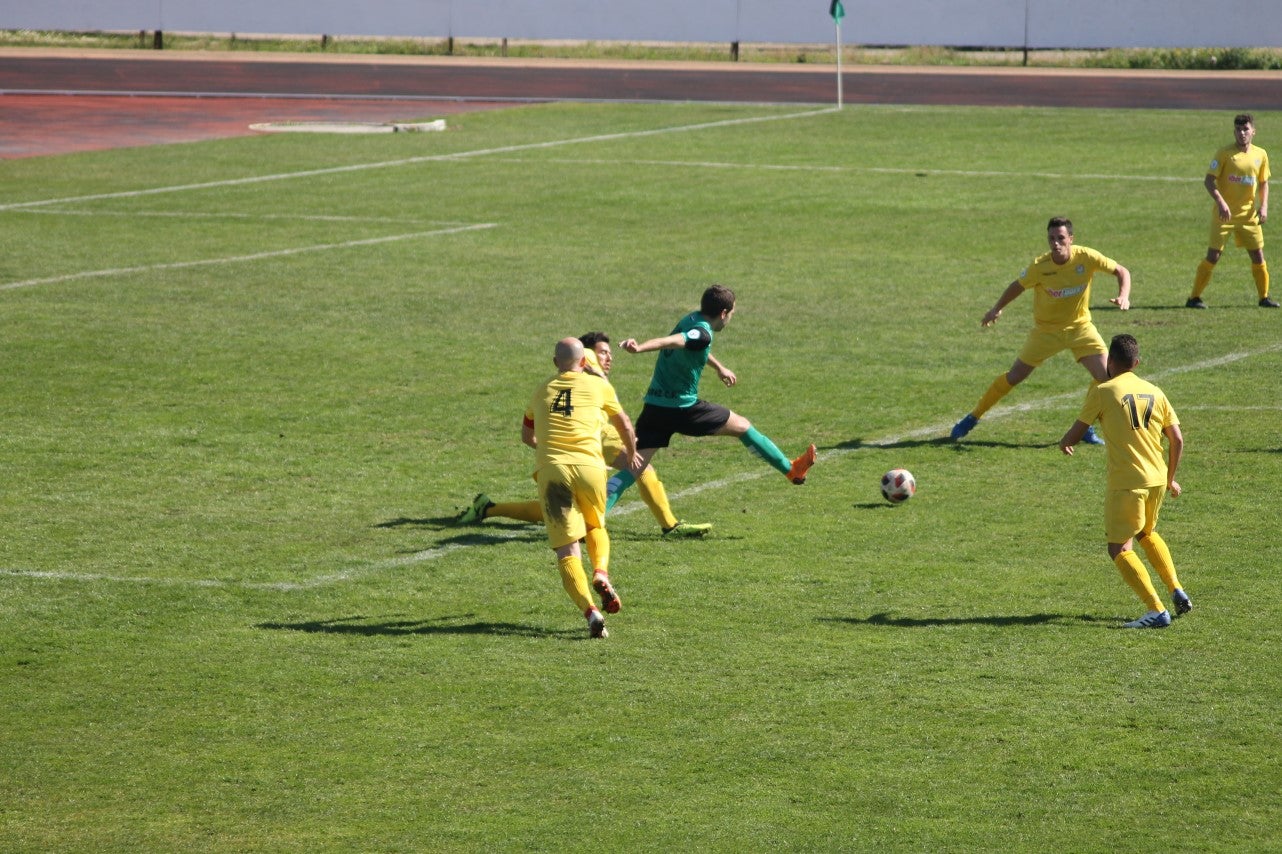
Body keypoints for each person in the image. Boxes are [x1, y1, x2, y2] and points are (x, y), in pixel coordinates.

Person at [457, 332, 712, 537]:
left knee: (561, 510)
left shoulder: (575, 379)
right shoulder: (586, 357)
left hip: (580, 444)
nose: (608, 357)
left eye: (610, 353)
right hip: (596, 435)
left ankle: (488, 508)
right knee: (642, 467)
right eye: (603, 352)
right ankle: (668, 525)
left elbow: (528, 436)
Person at [612, 284, 815, 508]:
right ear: (723, 313)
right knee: (743, 427)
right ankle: (791, 470)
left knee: (636, 464)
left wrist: (719, 368)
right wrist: (639, 348)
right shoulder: (703, 332)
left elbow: (694, 345)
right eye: (732, 313)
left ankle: (596, 509)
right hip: (683, 408)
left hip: (656, 405)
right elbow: (679, 341)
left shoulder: (691, 319)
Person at [950, 216, 1132, 443]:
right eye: (1051, 238)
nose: (1055, 243)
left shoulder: (1087, 257)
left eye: (1061, 238)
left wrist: (1124, 295)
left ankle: (1085, 427)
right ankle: (973, 417)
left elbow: (1122, 271)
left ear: (1071, 239)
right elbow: (1017, 286)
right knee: (1015, 376)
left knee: (1106, 377)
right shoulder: (1040, 267)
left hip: (1080, 328)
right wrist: (997, 308)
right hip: (1046, 332)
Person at [1059, 334, 1191, 629]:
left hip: (1127, 483)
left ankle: (1156, 610)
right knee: (1146, 532)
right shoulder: (1155, 391)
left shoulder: (1103, 391)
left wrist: (1065, 442)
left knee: (1119, 548)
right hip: (1156, 479)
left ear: (1110, 362)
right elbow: (1177, 439)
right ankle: (1176, 589)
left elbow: (1076, 433)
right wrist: (1170, 479)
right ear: (1136, 363)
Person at [523, 337, 642, 639]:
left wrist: (546, 449)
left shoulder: (541, 389)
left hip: (552, 471)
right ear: (585, 361)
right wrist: (631, 452)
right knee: (595, 525)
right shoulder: (598, 385)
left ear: (555, 363)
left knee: (567, 549)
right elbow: (624, 423)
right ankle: (600, 572)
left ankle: (591, 613)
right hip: (590, 468)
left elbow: (526, 435)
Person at [1187, 113, 1277, 309]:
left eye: (1245, 129)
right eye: (1238, 130)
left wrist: (1264, 206)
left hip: (1248, 216)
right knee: (1213, 256)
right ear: (1234, 132)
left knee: (1258, 255)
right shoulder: (1224, 153)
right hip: (1224, 216)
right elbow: (1208, 181)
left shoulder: (1260, 154)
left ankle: (1264, 298)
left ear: (1253, 131)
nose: (1242, 133)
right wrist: (1221, 203)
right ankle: (1194, 298)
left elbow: (1264, 182)